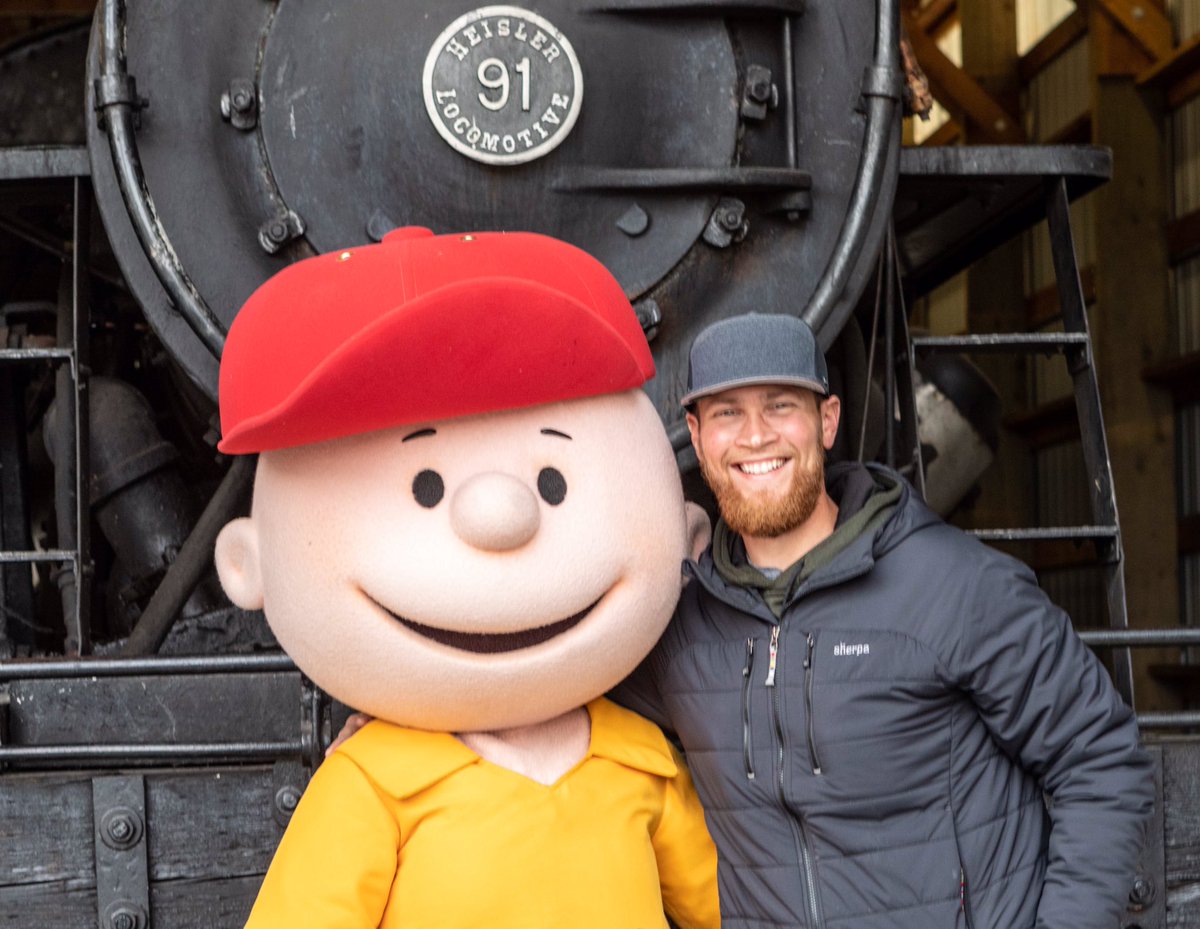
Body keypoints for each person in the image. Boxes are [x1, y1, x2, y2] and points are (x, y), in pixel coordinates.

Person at [613, 311, 1155, 929]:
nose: (755, 435)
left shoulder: (956, 586)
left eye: (780, 406)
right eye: (727, 413)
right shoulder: (684, 633)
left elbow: (1099, 760)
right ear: (695, 433)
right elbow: (561, 697)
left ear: (828, 421)